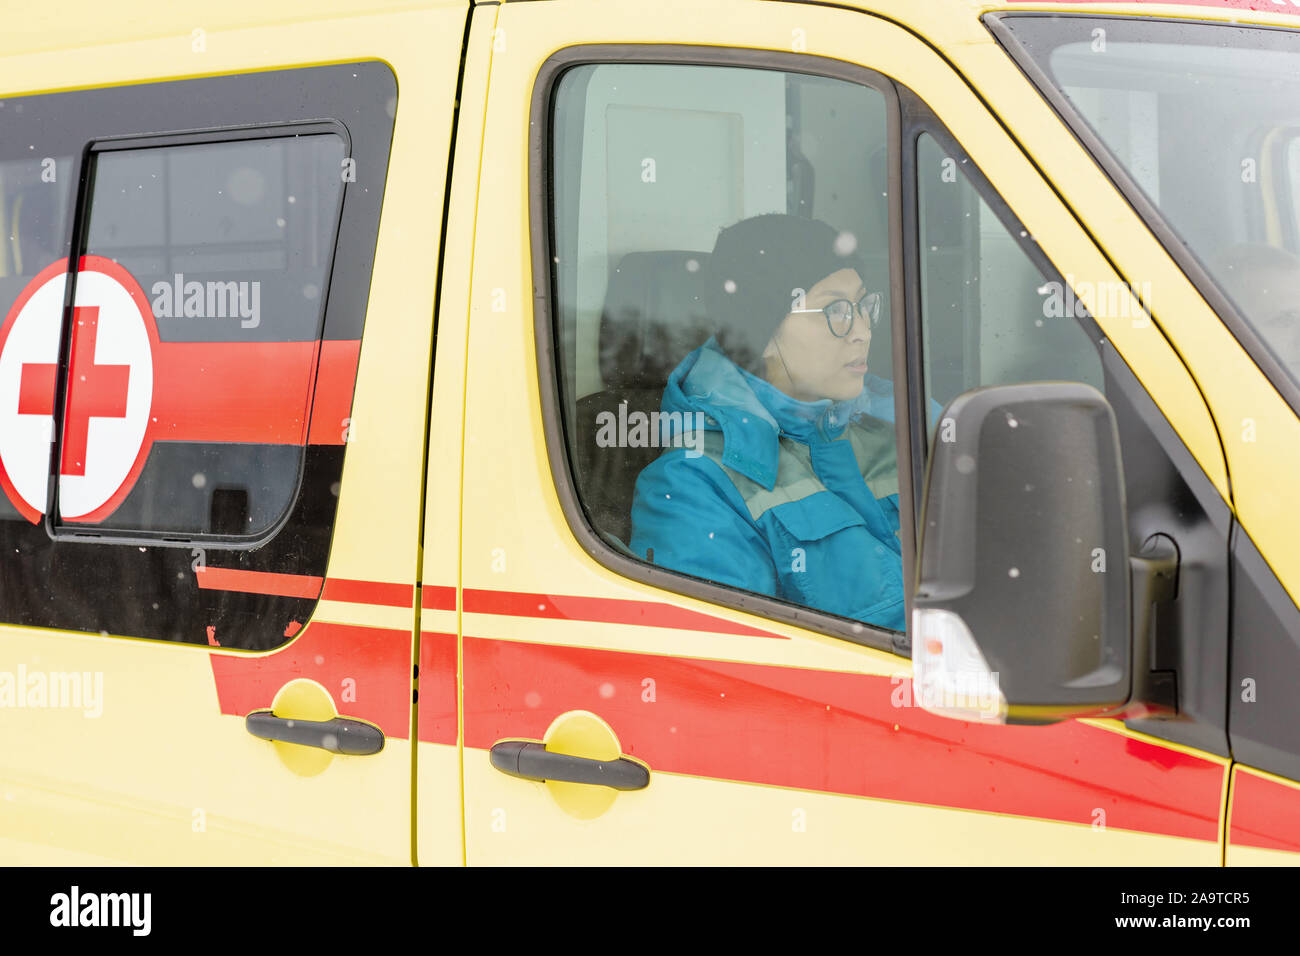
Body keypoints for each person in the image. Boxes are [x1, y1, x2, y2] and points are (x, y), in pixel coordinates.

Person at [629, 213, 906, 631]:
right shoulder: (695, 483)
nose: (863, 331)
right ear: (764, 327)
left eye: (863, 307)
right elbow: (734, 671)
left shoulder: (900, 420)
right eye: (836, 310)